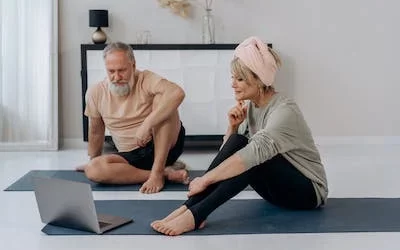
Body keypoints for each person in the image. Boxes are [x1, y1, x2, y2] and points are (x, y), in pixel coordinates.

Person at [151, 36, 328, 235]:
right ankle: (189, 208)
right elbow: (227, 154)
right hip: (276, 191)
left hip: (308, 193)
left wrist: (205, 179)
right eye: (232, 77)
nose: (233, 84)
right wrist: (232, 128)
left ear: (260, 81)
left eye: (240, 79)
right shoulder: (251, 107)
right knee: (239, 142)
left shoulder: (284, 111)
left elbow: (249, 156)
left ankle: (195, 214)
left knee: (255, 158)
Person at [78, 42, 189, 194]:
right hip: (130, 157)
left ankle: (157, 172)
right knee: (93, 170)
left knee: (163, 99)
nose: (116, 77)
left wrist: (147, 124)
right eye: (111, 71)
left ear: (133, 65)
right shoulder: (95, 92)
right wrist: (94, 161)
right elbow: (96, 131)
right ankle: (165, 173)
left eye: (122, 70)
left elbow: (177, 93)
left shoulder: (146, 78)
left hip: (163, 147)